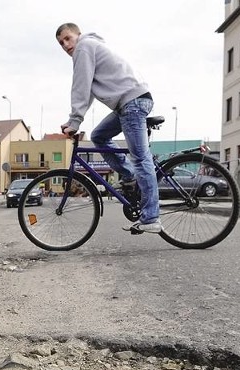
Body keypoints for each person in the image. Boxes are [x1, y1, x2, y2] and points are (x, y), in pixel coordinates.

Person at [56, 22, 162, 234]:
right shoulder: (90, 47)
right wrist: (75, 120)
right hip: (128, 102)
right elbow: (89, 91)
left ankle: (151, 217)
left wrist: (75, 121)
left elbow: (81, 86)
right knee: (99, 136)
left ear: (78, 34)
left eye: (68, 38)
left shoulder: (84, 47)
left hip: (132, 102)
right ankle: (130, 176)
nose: (66, 45)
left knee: (141, 158)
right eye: (61, 43)